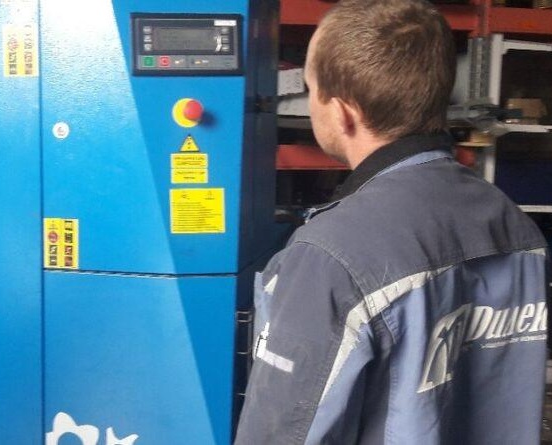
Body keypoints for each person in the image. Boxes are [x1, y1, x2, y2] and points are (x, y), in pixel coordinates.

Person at [235, 0, 549, 443]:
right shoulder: (516, 225)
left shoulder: (330, 257)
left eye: (311, 89)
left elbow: (283, 434)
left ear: (342, 113)